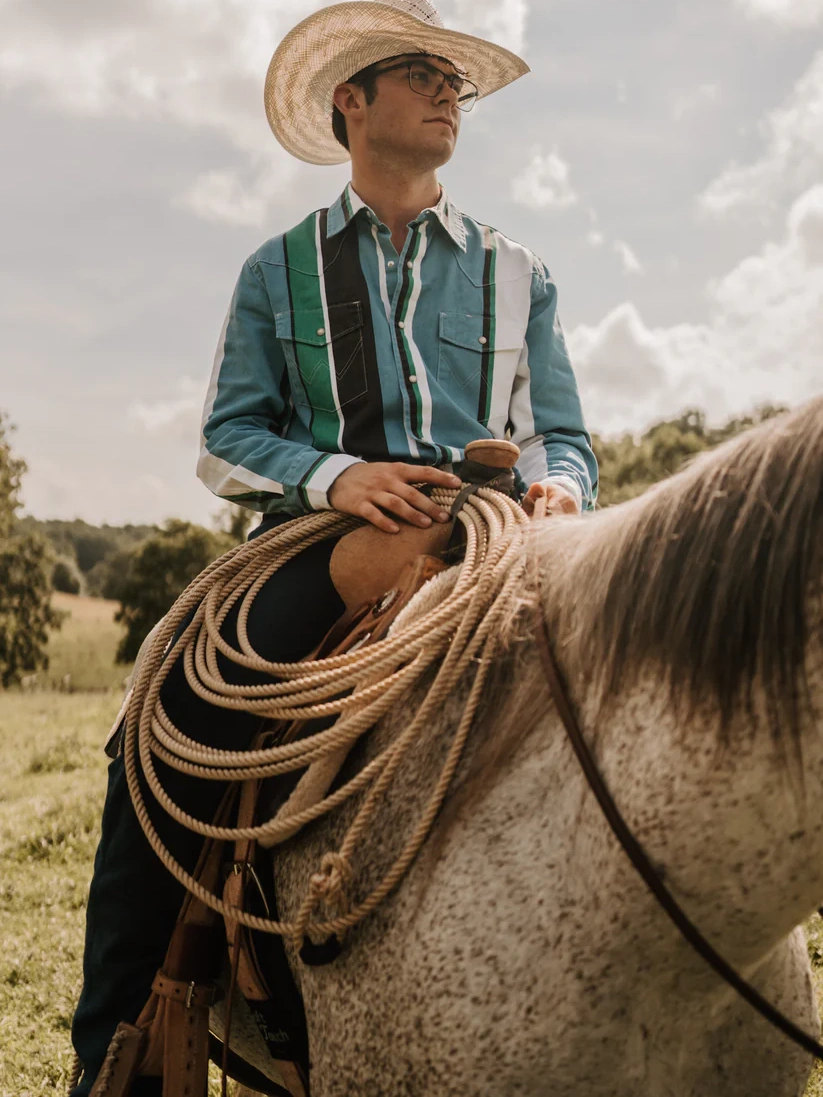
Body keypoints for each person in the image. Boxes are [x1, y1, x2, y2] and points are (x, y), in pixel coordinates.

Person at [70, 2, 597, 1093]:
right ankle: (117, 1051)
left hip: (498, 532)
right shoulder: (277, 269)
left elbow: (564, 433)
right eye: (420, 71)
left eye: (455, 77)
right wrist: (339, 476)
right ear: (350, 100)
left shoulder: (521, 272)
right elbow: (227, 438)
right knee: (165, 728)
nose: (450, 90)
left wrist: (559, 484)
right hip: (325, 537)